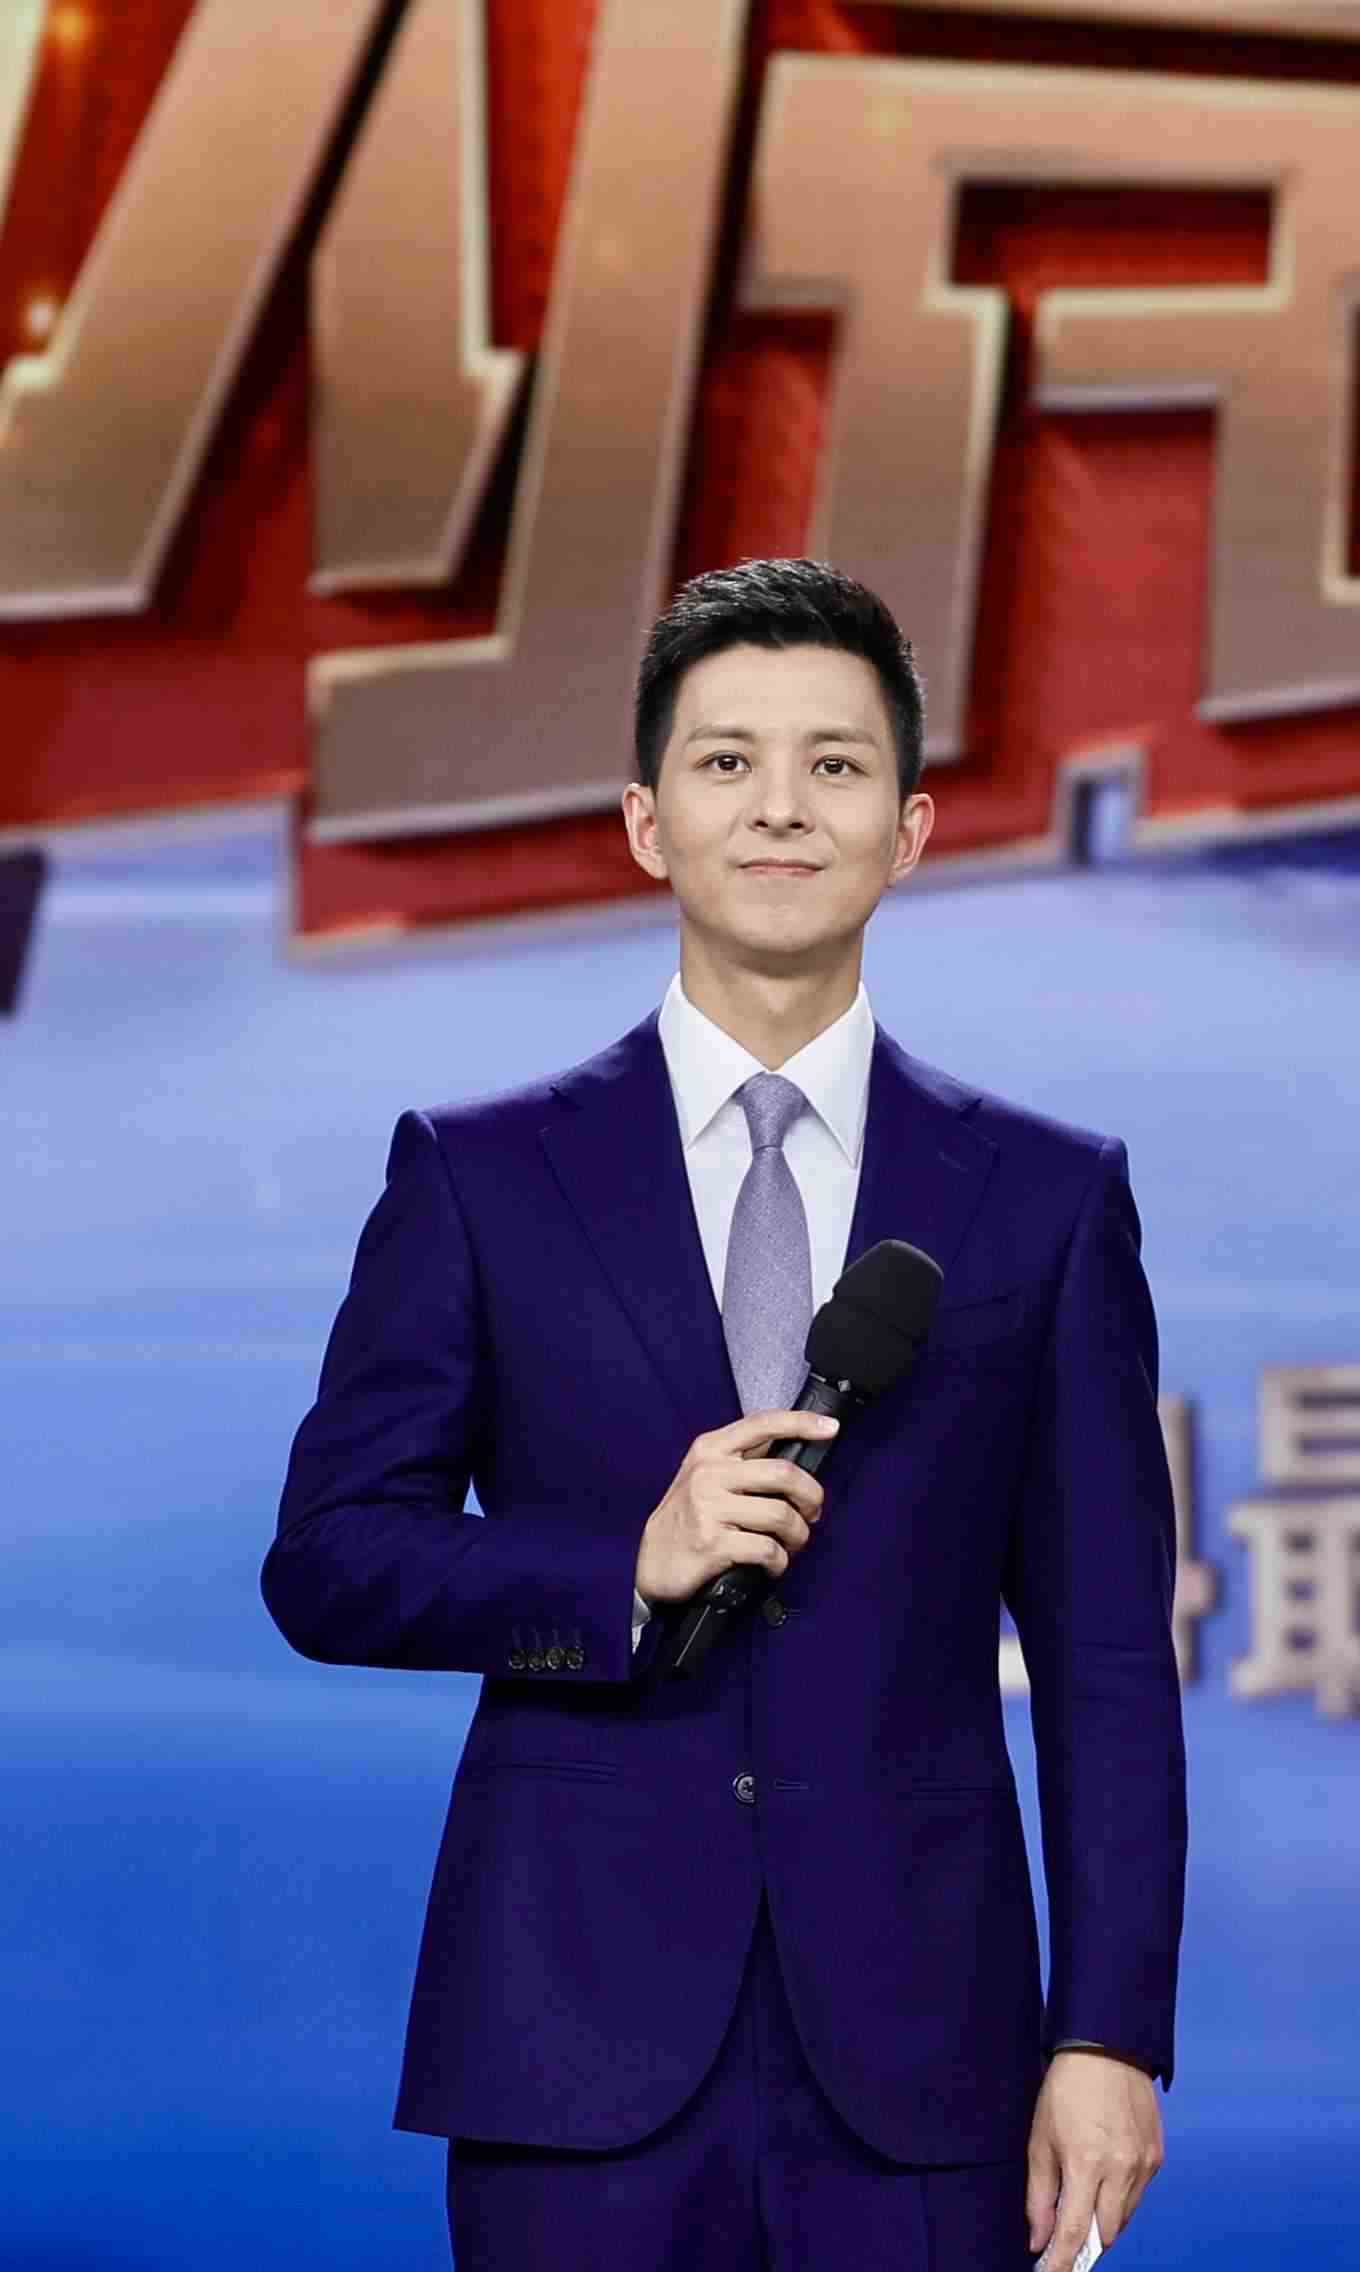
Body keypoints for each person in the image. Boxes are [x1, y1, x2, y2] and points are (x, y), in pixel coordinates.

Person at [263, 559, 1185, 2272]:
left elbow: (1111, 1659)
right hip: (571, 2043)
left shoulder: (1043, 1201)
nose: (780, 808)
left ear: (910, 831)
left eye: (835, 765)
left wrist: (1111, 2032)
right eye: (726, 762)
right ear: (645, 821)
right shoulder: (483, 1177)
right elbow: (330, 1559)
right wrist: (622, 1566)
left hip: (930, 2060)